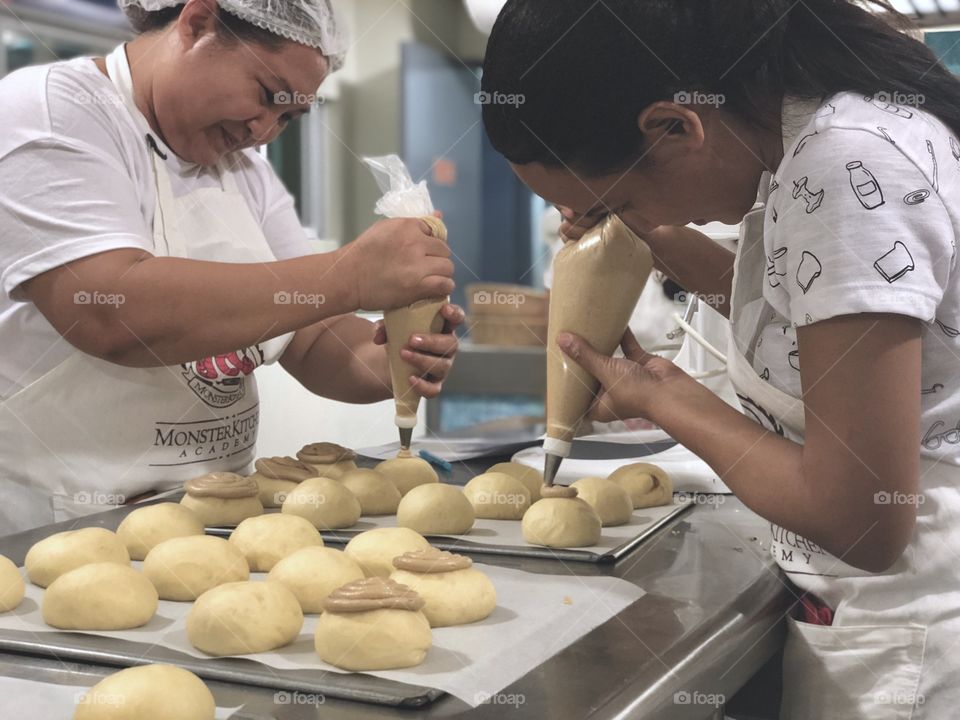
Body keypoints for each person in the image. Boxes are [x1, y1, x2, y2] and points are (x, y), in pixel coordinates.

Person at [481, 1, 960, 717]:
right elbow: (809, 324)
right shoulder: (832, 130)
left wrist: (666, 398)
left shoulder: (845, 167)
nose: (625, 215)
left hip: (919, 640)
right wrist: (649, 228)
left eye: (623, 196)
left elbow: (861, 517)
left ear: (676, 125)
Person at [0, 0, 463, 534]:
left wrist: (395, 361)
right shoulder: (53, 112)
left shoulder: (245, 174)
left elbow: (313, 338)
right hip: (58, 528)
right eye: (267, 96)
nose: (265, 132)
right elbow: (110, 311)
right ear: (197, 24)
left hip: (214, 524)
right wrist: (352, 274)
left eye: (288, 117)